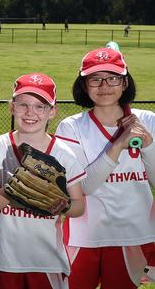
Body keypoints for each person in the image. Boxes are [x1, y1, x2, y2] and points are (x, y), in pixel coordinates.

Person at [0, 73, 86, 289]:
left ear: (52, 111)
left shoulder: (64, 154)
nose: (30, 112)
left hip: (45, 260)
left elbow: (79, 206)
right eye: (23, 104)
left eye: (40, 106)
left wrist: (65, 205)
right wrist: (15, 187)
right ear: (12, 107)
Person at [56, 47, 155, 288]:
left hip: (131, 233)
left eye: (113, 78)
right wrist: (118, 145)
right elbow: (83, 188)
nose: (105, 86)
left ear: (125, 82)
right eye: (95, 79)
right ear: (84, 85)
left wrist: (149, 146)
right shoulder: (71, 127)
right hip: (83, 235)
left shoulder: (149, 120)